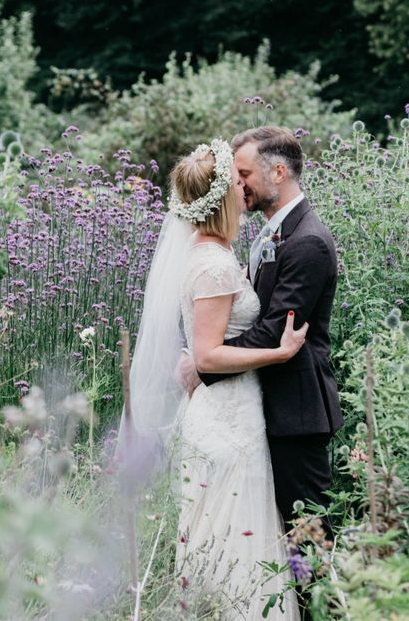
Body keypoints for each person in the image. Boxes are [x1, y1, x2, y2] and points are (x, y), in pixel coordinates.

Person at [126, 137, 303, 619]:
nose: (244, 191)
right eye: (236, 184)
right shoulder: (213, 265)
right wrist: (278, 351)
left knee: (227, 538)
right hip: (227, 420)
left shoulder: (210, 256)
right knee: (233, 539)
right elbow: (206, 354)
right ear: (220, 198)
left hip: (229, 413)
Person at [194, 126, 344, 537]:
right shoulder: (274, 231)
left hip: (297, 410)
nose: (236, 184)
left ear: (278, 172)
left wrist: (206, 361)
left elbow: (278, 332)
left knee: (310, 534)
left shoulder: (308, 241)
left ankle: (333, 604)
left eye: (243, 173)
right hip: (268, 404)